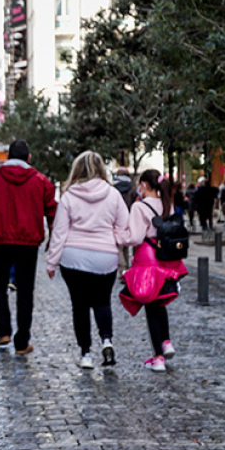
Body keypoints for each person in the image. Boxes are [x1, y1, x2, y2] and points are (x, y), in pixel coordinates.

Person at [0, 139, 58, 355]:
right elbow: (52, 212)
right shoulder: (41, 181)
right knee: (25, 291)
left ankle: (4, 332)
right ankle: (22, 342)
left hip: (1, 242)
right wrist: (52, 239)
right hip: (28, 243)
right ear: (29, 158)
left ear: (8, 157)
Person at [46, 151, 130, 369]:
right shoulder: (113, 195)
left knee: (80, 306)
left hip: (74, 257)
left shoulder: (68, 196)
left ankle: (85, 354)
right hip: (105, 257)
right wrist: (115, 241)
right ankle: (107, 341)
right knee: (102, 301)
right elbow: (124, 226)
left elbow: (60, 232)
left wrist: (52, 261)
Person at [117, 169, 188, 372]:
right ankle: (166, 342)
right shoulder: (167, 204)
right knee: (159, 303)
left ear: (144, 185)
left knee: (150, 306)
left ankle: (158, 357)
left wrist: (116, 236)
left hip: (147, 261)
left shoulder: (139, 207)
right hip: (166, 260)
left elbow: (135, 237)